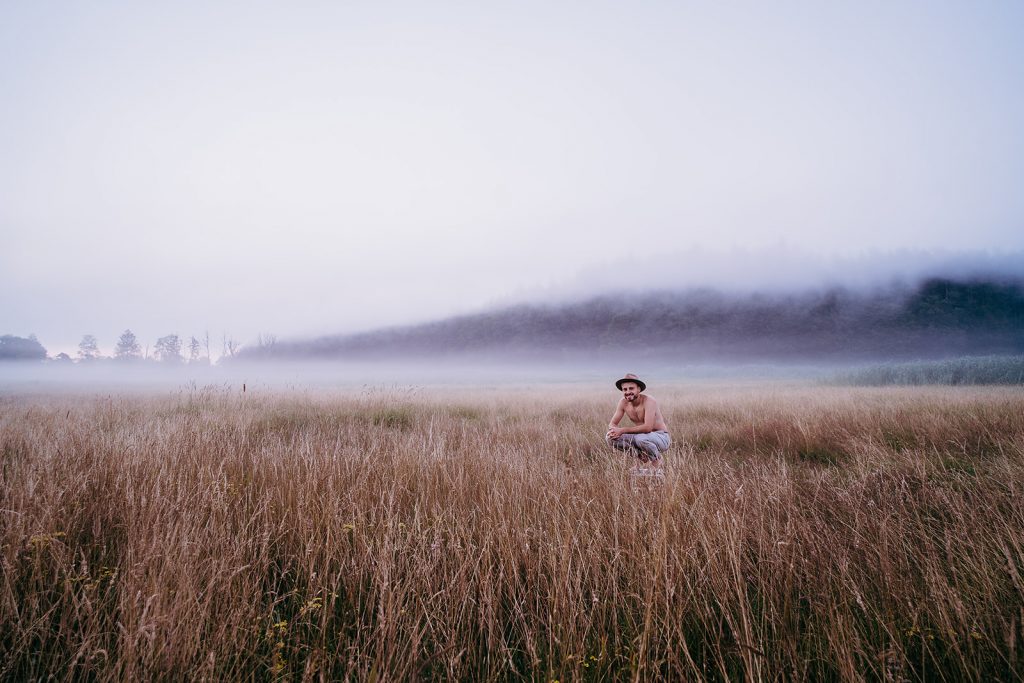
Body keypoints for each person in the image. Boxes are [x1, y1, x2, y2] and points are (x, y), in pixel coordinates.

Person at [606, 373, 671, 471]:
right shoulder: (623, 402)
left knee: (640, 438)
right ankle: (641, 456)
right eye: (625, 389)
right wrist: (613, 431)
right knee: (609, 438)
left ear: (639, 389)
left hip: (661, 437)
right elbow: (612, 424)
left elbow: (648, 428)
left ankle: (657, 460)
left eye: (631, 388)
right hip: (641, 437)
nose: (628, 392)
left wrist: (622, 430)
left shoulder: (649, 401)